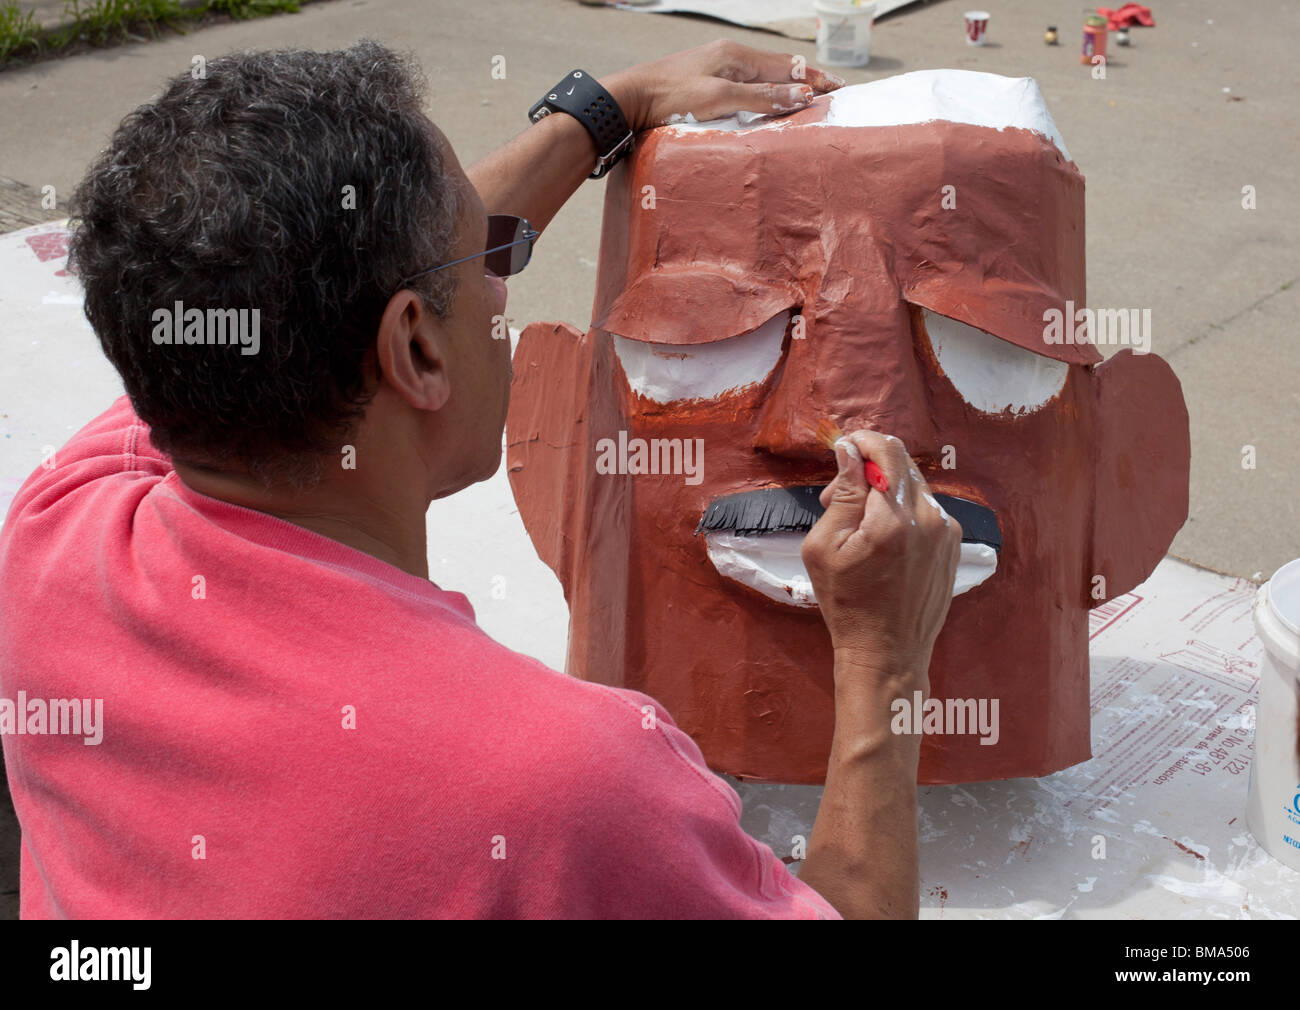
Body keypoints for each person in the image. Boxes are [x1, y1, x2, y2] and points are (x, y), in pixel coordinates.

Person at [0, 39, 959, 919]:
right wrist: (882, 661)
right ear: (415, 347)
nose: (505, 286)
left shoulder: (52, 534)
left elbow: (291, 283)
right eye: (488, 266)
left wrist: (605, 109)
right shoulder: (565, 788)